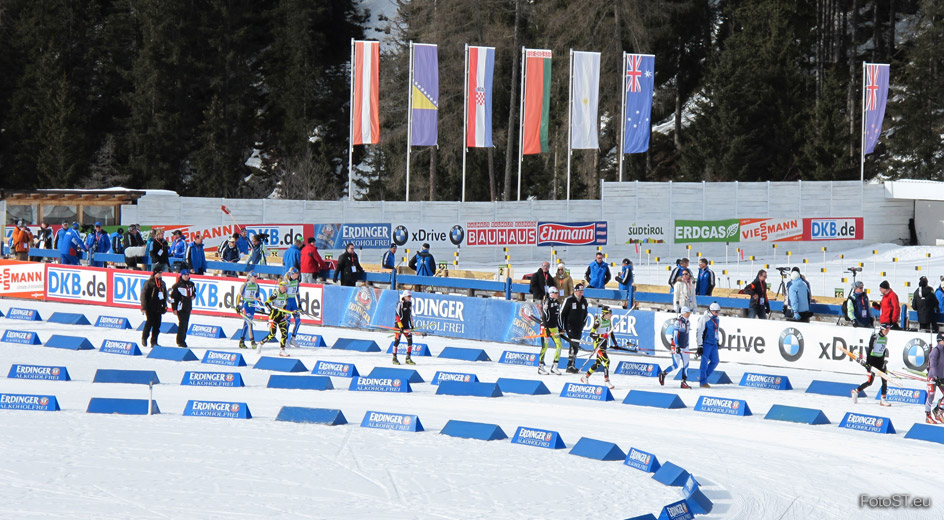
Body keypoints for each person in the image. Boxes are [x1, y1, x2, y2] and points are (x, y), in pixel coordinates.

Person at [852, 324, 891, 406]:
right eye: (886, 330)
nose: (888, 331)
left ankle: (883, 399)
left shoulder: (886, 338)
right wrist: (868, 364)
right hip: (872, 360)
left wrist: (883, 361)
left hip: (880, 361)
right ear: (882, 329)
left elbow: (883, 350)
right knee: (870, 382)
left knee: (885, 379)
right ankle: (856, 391)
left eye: (888, 330)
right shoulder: (875, 337)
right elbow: (869, 349)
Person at [581, 306, 614, 389]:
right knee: (607, 361)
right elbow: (591, 334)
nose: (611, 315)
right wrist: (601, 335)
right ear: (605, 313)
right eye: (609, 313)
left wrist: (615, 343)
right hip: (598, 346)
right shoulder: (598, 321)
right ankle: (607, 381)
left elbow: (610, 332)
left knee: (597, 364)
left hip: (604, 345)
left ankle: (585, 377)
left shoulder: (609, 321)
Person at [659, 307, 692, 389]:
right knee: (675, 365)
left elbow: (687, 335)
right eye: (687, 313)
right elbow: (675, 335)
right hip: (676, 346)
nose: (689, 315)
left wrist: (687, 345)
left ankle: (683, 382)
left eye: (689, 313)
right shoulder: (678, 322)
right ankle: (663, 373)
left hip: (684, 346)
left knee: (686, 364)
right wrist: (677, 346)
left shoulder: (688, 322)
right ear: (683, 313)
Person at [559, 283, 589, 373]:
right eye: (579, 291)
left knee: (575, 346)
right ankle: (570, 365)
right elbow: (561, 314)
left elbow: (586, 315)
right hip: (570, 326)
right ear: (575, 291)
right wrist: (561, 327)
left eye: (582, 291)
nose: (581, 293)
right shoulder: (569, 300)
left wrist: (583, 325)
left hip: (579, 327)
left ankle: (572, 363)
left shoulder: (584, 301)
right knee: (573, 344)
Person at [258, 280, 292, 357]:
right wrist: (271, 308)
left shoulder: (286, 295)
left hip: (281, 316)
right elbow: (266, 302)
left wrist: (285, 313)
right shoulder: (276, 293)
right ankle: (261, 343)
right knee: (272, 335)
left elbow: (284, 306)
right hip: (273, 316)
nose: (285, 288)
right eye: (284, 286)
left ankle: (282, 350)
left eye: (286, 287)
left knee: (284, 333)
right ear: (280, 286)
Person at [140, 269, 168, 348]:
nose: (160, 274)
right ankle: (144, 337)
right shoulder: (148, 283)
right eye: (159, 273)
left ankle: (154, 341)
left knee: (157, 325)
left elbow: (164, 296)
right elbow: (143, 295)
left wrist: (164, 306)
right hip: (150, 306)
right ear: (155, 273)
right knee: (149, 322)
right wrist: (143, 306)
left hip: (158, 306)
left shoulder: (162, 283)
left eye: (161, 272)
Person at [538, 286, 563, 375]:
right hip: (546, 327)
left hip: (554, 327)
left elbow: (558, 317)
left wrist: (560, 327)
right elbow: (544, 316)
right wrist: (546, 328)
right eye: (555, 293)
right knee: (545, 347)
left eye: (557, 293)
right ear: (551, 294)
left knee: (559, 345)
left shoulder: (557, 302)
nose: (557, 294)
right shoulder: (547, 301)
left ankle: (555, 366)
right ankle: (540, 367)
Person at [696, 302, 722, 388]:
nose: (717, 313)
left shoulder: (717, 319)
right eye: (715, 311)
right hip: (706, 343)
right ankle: (703, 382)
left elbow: (716, 331)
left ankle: (703, 377)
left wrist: (717, 340)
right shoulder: (704, 318)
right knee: (704, 363)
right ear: (711, 310)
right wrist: (700, 345)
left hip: (713, 343)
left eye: (718, 311)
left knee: (715, 361)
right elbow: (699, 332)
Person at [235, 272, 262, 349]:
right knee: (250, 323)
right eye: (254, 277)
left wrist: (262, 306)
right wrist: (238, 305)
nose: (256, 278)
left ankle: (241, 341)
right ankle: (252, 342)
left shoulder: (257, 286)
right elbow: (239, 295)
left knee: (246, 324)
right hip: (246, 305)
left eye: (257, 276)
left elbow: (258, 297)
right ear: (250, 277)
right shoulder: (245, 285)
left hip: (252, 305)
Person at [170, 269, 195, 348]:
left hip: (188, 307)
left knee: (185, 324)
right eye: (185, 275)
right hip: (180, 307)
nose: (187, 276)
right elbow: (173, 298)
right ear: (182, 275)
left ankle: (182, 339)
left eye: (188, 275)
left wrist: (193, 296)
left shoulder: (191, 284)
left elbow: (194, 293)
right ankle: (180, 341)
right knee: (182, 324)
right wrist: (174, 308)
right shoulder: (177, 286)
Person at [392, 290, 416, 365]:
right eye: (408, 296)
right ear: (404, 296)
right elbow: (397, 315)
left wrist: (412, 324)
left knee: (410, 341)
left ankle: (408, 358)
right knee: (397, 341)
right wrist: (400, 326)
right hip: (399, 325)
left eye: (410, 296)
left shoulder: (409, 304)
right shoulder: (400, 304)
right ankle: (394, 358)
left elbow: (410, 315)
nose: (409, 298)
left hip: (406, 325)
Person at [925, 333, 944, 424]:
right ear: (940, 341)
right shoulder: (936, 350)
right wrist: (935, 376)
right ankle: (928, 416)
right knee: (931, 396)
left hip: (941, 377)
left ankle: (938, 411)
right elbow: (932, 365)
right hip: (933, 377)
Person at [282, 267, 303, 346]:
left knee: (298, 321)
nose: (298, 275)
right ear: (292, 274)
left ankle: (293, 338)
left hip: (293, 302)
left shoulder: (296, 282)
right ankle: (286, 339)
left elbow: (297, 292)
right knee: (287, 322)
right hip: (287, 303)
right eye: (296, 274)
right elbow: (282, 293)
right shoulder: (286, 282)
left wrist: (299, 303)